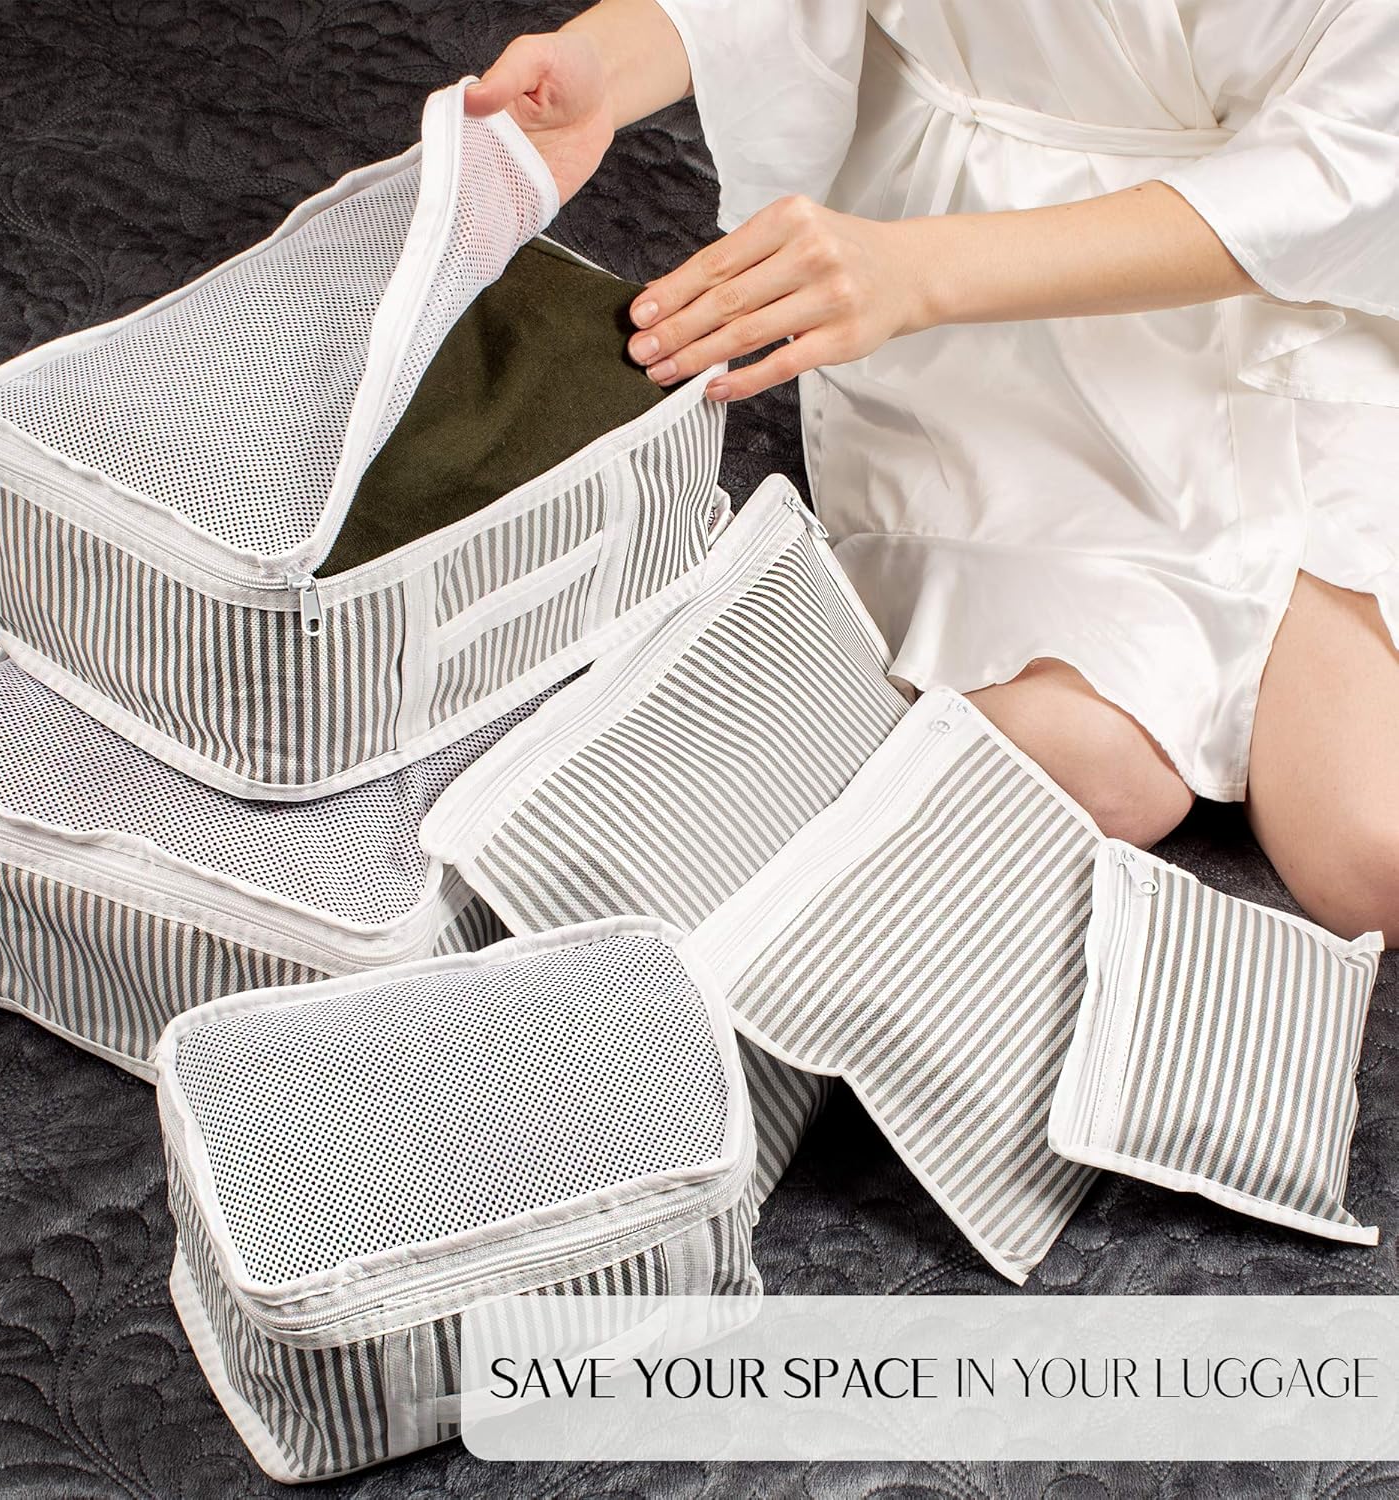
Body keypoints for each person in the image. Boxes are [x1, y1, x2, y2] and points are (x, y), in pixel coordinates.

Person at [466, 0, 1399, 944]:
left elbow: (1346, 171)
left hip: (1306, 310)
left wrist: (916, 271)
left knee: (1377, 859)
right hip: (994, 331)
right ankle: (565, 877)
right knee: (1090, 762)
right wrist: (602, 62)